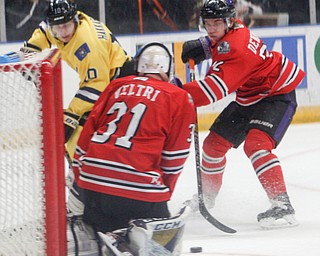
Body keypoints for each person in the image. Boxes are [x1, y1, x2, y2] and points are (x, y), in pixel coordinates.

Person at [181, 0, 305, 229]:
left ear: (228, 22)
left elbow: (214, 89)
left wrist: (178, 95)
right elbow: (220, 41)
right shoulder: (232, 29)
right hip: (249, 97)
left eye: (216, 23)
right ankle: (206, 199)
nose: (211, 29)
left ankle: (282, 203)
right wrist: (206, 45)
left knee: (257, 145)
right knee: (212, 147)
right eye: (207, 23)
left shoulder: (236, 48)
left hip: (275, 94)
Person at [70, 42, 195, 255]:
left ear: (139, 67)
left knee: (99, 220)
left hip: (93, 185)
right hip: (139, 193)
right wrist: (161, 198)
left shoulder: (115, 86)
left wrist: (80, 184)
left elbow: (86, 138)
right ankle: (129, 239)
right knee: (161, 246)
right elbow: (174, 158)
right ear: (167, 70)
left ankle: (102, 236)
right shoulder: (179, 97)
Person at [20, 0, 134, 216]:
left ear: (75, 21)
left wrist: (71, 115)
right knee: (78, 141)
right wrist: (29, 52)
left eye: (66, 26)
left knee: (78, 139)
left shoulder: (87, 43)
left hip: (121, 84)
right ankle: (83, 192)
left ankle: (85, 198)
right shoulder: (57, 25)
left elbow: (97, 84)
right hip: (106, 83)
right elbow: (43, 32)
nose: (62, 32)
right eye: (58, 27)